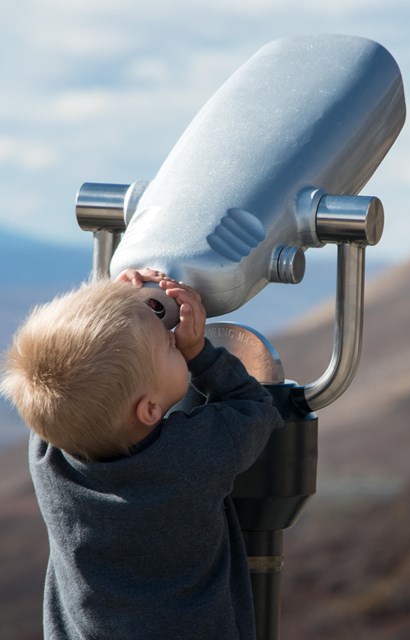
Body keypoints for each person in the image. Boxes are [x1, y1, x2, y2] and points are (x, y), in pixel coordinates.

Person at [0, 268, 284, 640]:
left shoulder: (50, 460)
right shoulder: (193, 455)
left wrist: (113, 308)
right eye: (168, 346)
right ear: (149, 409)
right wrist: (199, 353)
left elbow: (65, 393)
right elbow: (256, 408)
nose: (173, 339)